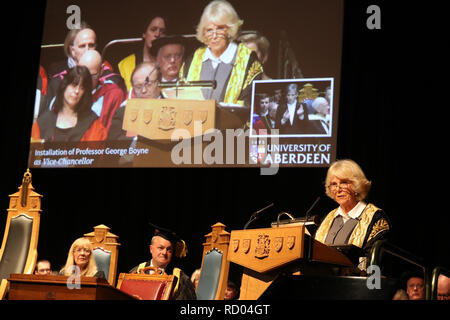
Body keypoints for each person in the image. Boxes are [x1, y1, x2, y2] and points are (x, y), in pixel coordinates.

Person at [315, 159, 392, 271]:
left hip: (355, 285)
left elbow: (372, 262)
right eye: (334, 184)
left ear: (357, 185)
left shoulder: (375, 218)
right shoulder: (329, 218)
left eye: (344, 183)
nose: (338, 189)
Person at [182, 0, 263, 106]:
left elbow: (248, 105)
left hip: (232, 121)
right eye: (209, 30)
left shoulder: (247, 61)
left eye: (220, 28)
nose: (214, 36)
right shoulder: (192, 61)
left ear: (230, 29)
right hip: (196, 123)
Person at [31, 65, 107, 142]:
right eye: (74, 85)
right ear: (64, 86)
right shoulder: (43, 123)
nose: (77, 91)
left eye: (82, 88)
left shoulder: (94, 125)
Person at [128, 223, 196, 300]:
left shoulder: (180, 279)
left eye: (169, 250)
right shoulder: (135, 272)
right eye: (161, 248)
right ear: (151, 249)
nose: (164, 253)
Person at [107, 61, 161, 141]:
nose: (143, 90)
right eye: (139, 87)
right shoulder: (123, 113)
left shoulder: (174, 109)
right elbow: (112, 147)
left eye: (148, 85)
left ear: (158, 83)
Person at [78, 50, 126, 131]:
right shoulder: (69, 92)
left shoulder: (113, 93)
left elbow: (114, 130)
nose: (87, 80)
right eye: (83, 74)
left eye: (93, 76)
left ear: (101, 70)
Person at [118, 15, 168, 92]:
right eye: (153, 29)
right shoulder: (125, 64)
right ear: (144, 34)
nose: (157, 34)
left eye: (162, 31)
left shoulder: (171, 64)